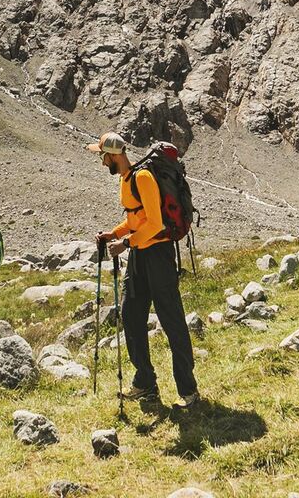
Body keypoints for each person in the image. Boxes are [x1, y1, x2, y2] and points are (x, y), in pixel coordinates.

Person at [91, 131, 199, 407]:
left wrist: (126, 243)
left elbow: (156, 224)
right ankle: (145, 382)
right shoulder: (127, 179)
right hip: (141, 253)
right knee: (131, 315)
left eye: (103, 157)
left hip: (158, 255)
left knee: (171, 319)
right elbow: (135, 219)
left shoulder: (143, 178)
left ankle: (188, 390)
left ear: (114, 155)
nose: (102, 162)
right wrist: (112, 235)